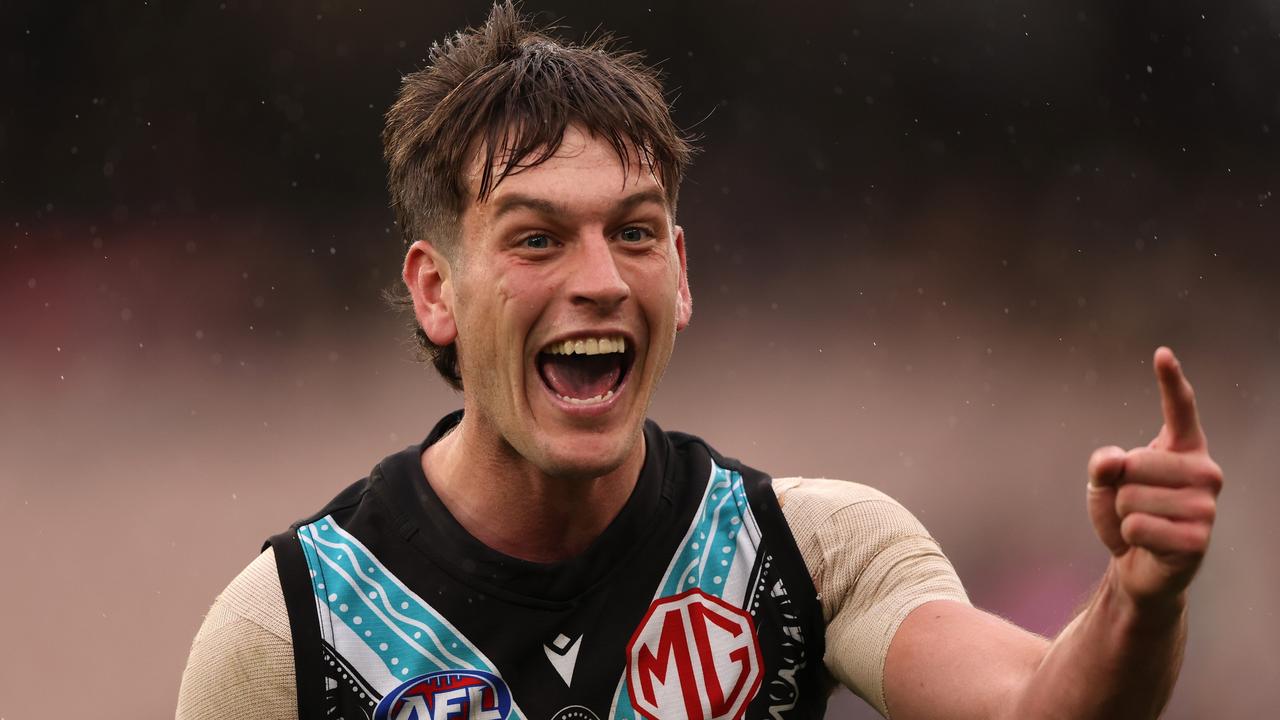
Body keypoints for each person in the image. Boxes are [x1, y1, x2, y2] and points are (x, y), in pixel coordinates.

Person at [176, 4, 1223, 719]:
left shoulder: (808, 553)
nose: (599, 279)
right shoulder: (293, 633)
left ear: (678, 272)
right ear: (435, 291)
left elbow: (1037, 706)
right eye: (536, 239)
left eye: (632, 233)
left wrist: (1142, 594)